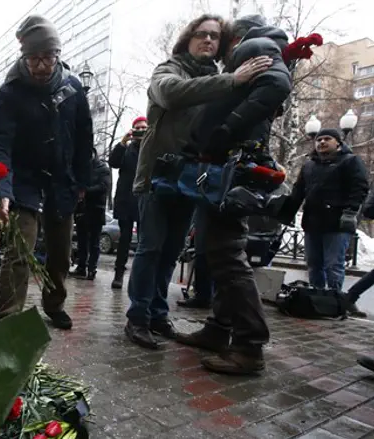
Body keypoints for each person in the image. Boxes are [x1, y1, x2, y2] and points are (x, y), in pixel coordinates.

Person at [125, 13, 273, 350]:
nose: (208, 41)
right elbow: (170, 94)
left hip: (192, 178)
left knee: (171, 251)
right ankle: (138, 318)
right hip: (157, 175)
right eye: (201, 34)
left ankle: (158, 314)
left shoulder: (223, 77)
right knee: (151, 247)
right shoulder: (169, 69)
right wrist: (232, 81)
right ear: (188, 39)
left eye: (215, 37)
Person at [175, 15, 293, 375]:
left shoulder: (256, 47)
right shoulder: (258, 49)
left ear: (236, 37)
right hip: (224, 167)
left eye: (222, 38)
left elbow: (276, 85)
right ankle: (219, 329)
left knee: (226, 255)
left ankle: (249, 344)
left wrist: (226, 129)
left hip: (230, 167)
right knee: (220, 251)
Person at [0, 15, 93, 330]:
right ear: (23, 57)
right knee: (19, 250)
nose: (41, 65)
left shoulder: (73, 89)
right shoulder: (8, 94)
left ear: (57, 55)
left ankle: (54, 303)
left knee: (59, 253)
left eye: (48, 57)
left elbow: (85, 137)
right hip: (23, 182)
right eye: (34, 58)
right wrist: (1, 189)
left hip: (62, 181)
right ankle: (6, 320)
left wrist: (82, 181)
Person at [282, 128, 368, 292]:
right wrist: (286, 212)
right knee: (314, 264)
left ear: (338, 143)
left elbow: (360, 188)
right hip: (312, 222)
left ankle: (334, 299)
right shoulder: (309, 165)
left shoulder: (350, 161)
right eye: (319, 140)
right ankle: (316, 298)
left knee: (333, 265)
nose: (322, 142)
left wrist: (350, 212)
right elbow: (298, 191)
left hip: (337, 222)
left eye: (327, 139)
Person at [108, 116, 146, 289]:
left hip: (145, 199)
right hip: (126, 200)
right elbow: (113, 162)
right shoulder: (126, 149)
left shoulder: (151, 148)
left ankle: (140, 280)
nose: (141, 131)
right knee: (124, 240)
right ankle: (119, 275)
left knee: (145, 241)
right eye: (137, 128)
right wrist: (123, 142)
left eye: (144, 128)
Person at [71, 149, 112, 281]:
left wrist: (85, 191)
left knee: (94, 242)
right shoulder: (82, 168)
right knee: (82, 241)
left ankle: (92, 269)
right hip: (82, 209)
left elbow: (104, 186)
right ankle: (81, 267)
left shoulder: (103, 169)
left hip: (96, 209)